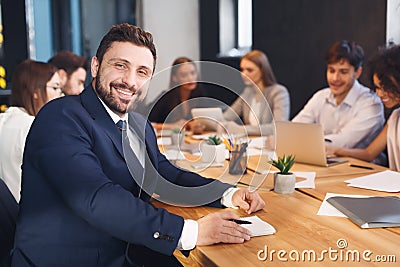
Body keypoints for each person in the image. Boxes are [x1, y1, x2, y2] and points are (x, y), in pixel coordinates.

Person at [12, 23, 265, 266]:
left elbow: (167, 173)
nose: (130, 81)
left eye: (142, 72)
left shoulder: (137, 124)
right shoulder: (61, 117)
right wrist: (192, 231)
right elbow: (96, 197)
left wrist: (225, 193)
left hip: (126, 254)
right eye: (120, 66)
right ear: (96, 66)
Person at [292, 40, 384, 154]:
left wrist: (301, 142)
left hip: (362, 168)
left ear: (357, 73)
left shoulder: (371, 103)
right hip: (324, 161)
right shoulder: (321, 96)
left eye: (343, 72)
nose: (335, 78)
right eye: (331, 71)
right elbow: (294, 129)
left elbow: (344, 141)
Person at [327, 44, 400, 171]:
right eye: (377, 87)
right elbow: (369, 153)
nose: (380, 94)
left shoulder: (373, 106)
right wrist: (337, 150)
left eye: (386, 87)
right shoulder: (395, 118)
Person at [0, 59, 62, 202]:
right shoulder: (36, 127)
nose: (61, 94)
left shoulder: (3, 120)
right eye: (55, 87)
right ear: (36, 91)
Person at [223, 50, 290, 136]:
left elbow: (279, 127)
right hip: (251, 143)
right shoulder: (247, 92)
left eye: (250, 70)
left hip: (269, 145)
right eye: (242, 69)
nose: (244, 74)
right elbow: (227, 116)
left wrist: (243, 129)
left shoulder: (278, 92)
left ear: (262, 71)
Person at [146, 57, 204, 126]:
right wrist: (172, 126)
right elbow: (147, 123)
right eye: (184, 75)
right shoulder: (166, 97)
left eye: (193, 73)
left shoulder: (200, 95)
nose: (190, 78)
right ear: (175, 78)